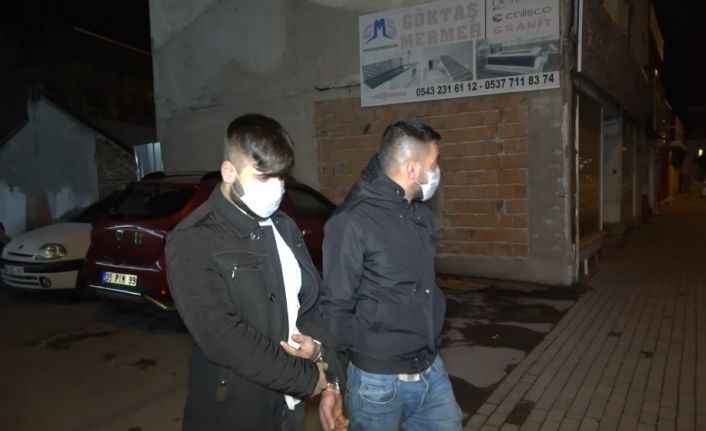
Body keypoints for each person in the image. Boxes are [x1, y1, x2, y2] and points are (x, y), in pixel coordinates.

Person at [165, 114, 348, 431]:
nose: (276, 189)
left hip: (288, 409)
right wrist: (306, 378)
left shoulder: (284, 226)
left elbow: (310, 305)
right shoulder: (192, 239)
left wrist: (326, 369)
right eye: (263, 177)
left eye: (281, 178)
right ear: (228, 171)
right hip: (234, 412)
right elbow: (223, 337)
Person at [321, 120, 462, 430]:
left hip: (430, 368)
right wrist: (332, 382)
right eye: (433, 164)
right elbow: (336, 308)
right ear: (412, 169)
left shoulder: (420, 215)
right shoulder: (351, 221)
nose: (437, 171)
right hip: (378, 383)